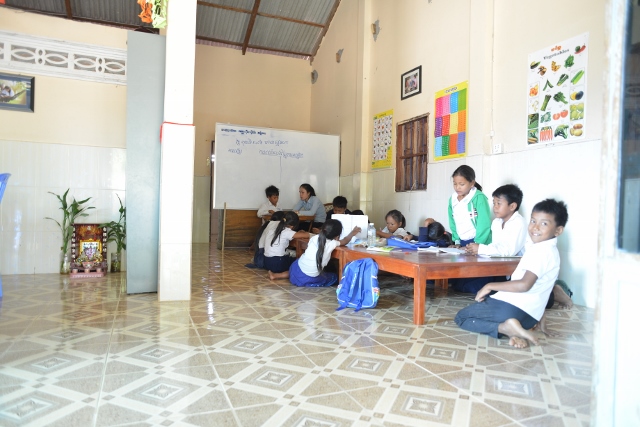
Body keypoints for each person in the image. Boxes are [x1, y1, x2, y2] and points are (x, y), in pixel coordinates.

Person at [454, 199, 568, 349]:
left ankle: (505, 328)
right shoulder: (551, 251)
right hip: (529, 318)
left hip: (512, 308)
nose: (535, 227)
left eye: (544, 224)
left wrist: (489, 286)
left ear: (558, 230)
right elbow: (542, 289)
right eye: (533, 221)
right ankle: (515, 330)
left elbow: (524, 285)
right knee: (487, 302)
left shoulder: (541, 252)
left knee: (462, 317)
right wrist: (542, 320)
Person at [452, 184, 528, 293]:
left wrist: (481, 249)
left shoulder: (519, 223)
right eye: (494, 203)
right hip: (499, 268)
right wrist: (472, 249)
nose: (495, 207)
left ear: (512, 206)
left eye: (499, 203)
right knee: (459, 282)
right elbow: (494, 246)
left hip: (514, 273)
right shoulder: (497, 222)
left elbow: (508, 251)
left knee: (471, 286)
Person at [269, 219, 360, 286]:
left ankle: (276, 275)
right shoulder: (332, 243)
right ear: (337, 236)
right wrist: (352, 233)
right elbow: (345, 241)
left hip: (296, 268)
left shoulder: (315, 238)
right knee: (334, 277)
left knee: (301, 268)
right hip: (306, 279)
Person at [448, 165, 492, 247]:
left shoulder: (479, 198)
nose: (457, 187)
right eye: (455, 184)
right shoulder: (453, 199)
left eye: (461, 184)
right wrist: (457, 241)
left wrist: (477, 243)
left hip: (478, 242)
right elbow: (452, 221)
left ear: (472, 183)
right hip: (462, 242)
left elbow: (484, 223)